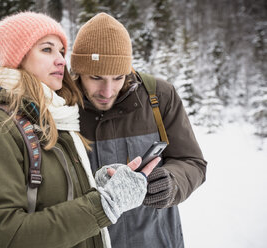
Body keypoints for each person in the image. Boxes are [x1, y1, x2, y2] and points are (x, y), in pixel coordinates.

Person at [0, 12, 159, 248]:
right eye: (47, 49)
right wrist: (103, 205)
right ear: (17, 57)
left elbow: (51, 200)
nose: (62, 60)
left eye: (62, 51)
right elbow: (3, 234)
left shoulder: (55, 118)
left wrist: (102, 188)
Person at [71, 13, 207, 248]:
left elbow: (192, 161)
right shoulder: (60, 105)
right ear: (78, 71)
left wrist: (171, 182)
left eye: (117, 77)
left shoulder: (159, 96)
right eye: (96, 77)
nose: (107, 90)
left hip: (154, 240)